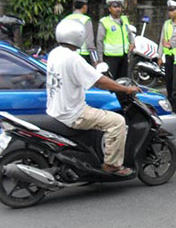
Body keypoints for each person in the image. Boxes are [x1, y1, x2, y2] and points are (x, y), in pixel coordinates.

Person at [46, 19, 140, 176]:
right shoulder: (73, 58)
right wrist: (125, 89)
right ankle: (112, 165)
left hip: (56, 110)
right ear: (78, 36)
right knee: (117, 122)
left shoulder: (55, 53)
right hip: (74, 114)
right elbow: (99, 81)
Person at [96, 0, 135, 79]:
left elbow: (129, 33)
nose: (118, 9)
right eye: (115, 7)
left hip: (124, 56)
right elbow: (99, 41)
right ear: (109, 9)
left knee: (123, 81)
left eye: (119, 7)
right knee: (111, 81)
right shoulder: (104, 22)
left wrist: (132, 42)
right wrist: (100, 60)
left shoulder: (124, 19)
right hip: (110, 58)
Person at [158, 0, 176, 102]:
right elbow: (162, 39)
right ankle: (170, 99)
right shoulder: (166, 24)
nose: (170, 13)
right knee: (169, 80)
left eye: (172, 10)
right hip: (169, 57)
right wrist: (160, 56)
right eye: (169, 10)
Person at [64, 0, 98, 66]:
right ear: (85, 7)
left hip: (68, 54)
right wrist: (95, 60)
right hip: (82, 55)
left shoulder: (66, 19)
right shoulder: (86, 19)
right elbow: (90, 43)